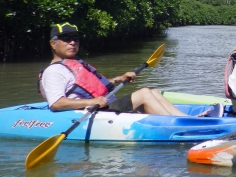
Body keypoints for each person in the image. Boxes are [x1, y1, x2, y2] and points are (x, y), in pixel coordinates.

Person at [40, 23, 221, 116]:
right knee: (143, 93)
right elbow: (56, 103)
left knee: (153, 91)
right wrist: (93, 101)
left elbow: (99, 84)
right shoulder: (54, 71)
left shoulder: (76, 64)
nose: (72, 42)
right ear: (53, 44)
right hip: (93, 112)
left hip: (104, 104)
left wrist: (119, 78)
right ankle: (182, 125)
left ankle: (185, 120)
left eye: (75, 38)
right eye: (66, 39)